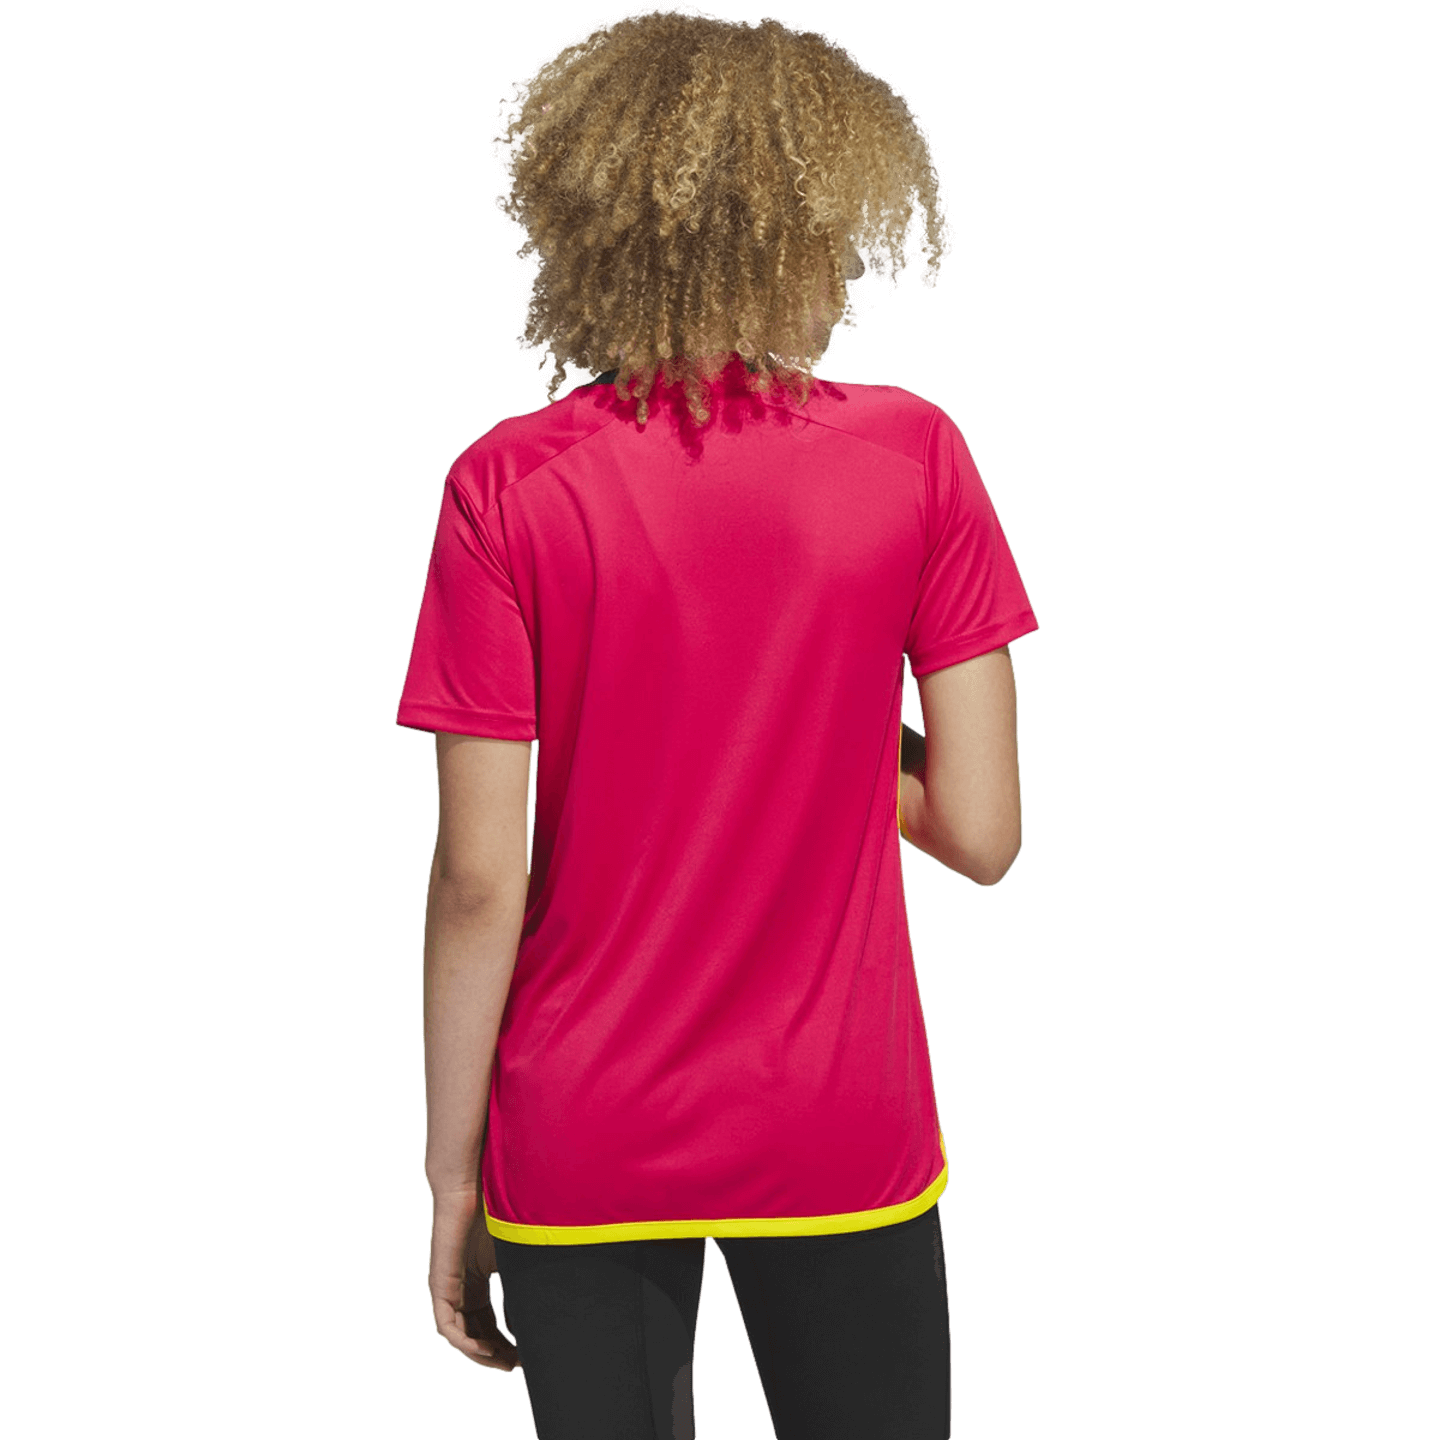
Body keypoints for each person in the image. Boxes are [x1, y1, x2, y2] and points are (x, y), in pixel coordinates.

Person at [403, 8, 1037, 1435]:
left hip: (579, 1129)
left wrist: (452, 1175)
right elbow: (983, 834)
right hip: (839, 1120)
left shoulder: (505, 483)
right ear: (819, 224)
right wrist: (829, 744)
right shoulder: (917, 454)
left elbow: (479, 878)